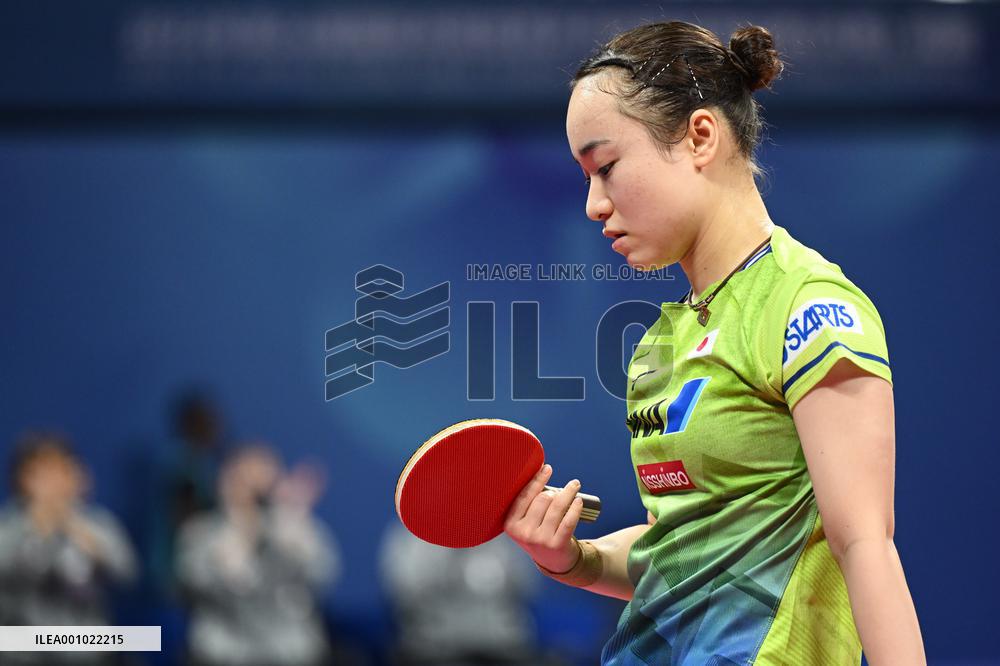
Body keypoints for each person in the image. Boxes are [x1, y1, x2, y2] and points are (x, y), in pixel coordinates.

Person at [502, 21, 926, 665]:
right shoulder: (658, 345)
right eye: (587, 178)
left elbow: (864, 543)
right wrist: (572, 558)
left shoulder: (808, 306)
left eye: (606, 168)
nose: (593, 204)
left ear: (700, 137)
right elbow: (678, 551)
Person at [176, 444, 340, 666]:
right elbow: (194, 583)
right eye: (245, 484)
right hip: (222, 654)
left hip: (291, 654)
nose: (256, 498)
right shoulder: (202, 533)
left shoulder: (298, 530)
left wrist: (296, 532)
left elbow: (323, 578)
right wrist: (237, 535)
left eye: (264, 487)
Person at [0, 432, 138, 665]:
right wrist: (40, 529)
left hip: (87, 651)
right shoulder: (8, 527)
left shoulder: (98, 524)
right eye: (44, 473)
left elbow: (127, 575)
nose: (55, 481)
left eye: (62, 469)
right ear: (24, 478)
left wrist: (81, 534)